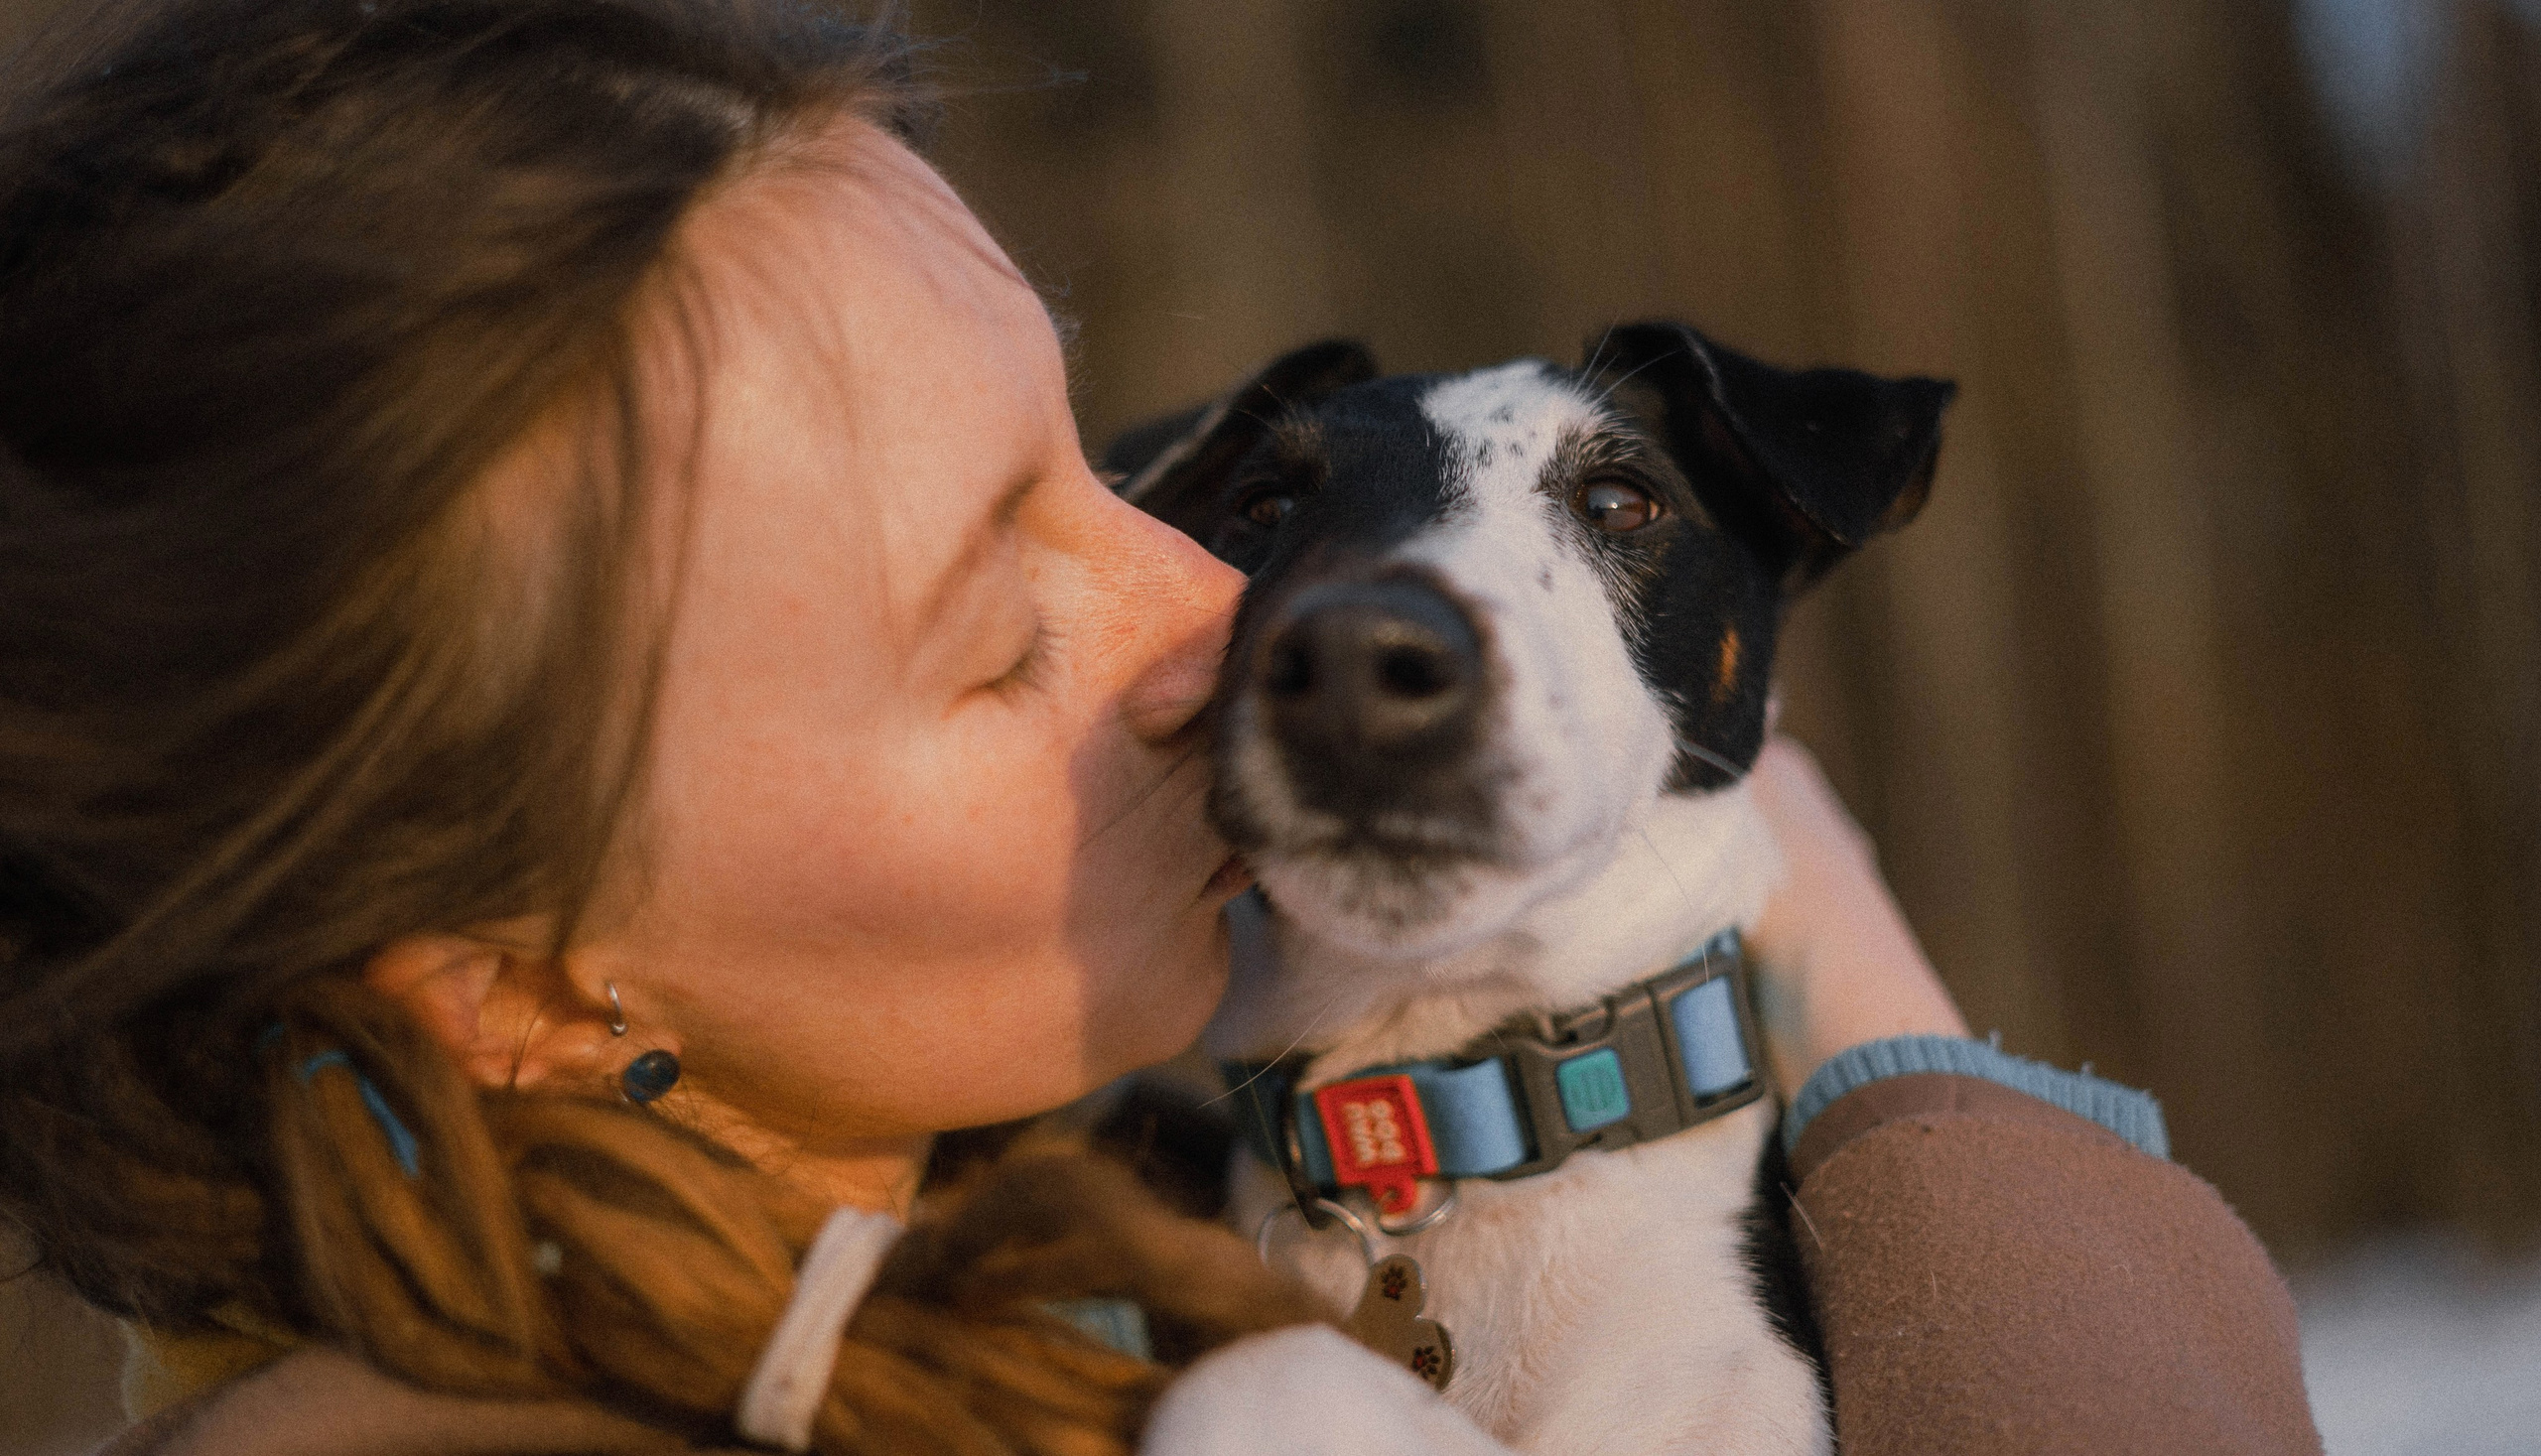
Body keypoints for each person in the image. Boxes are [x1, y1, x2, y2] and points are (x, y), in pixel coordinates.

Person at [0, 2, 2320, 1453]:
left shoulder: (1046, 1287)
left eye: (1101, 478)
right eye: (992, 626)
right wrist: (1883, 1025)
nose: (1234, 619)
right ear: (512, 976)